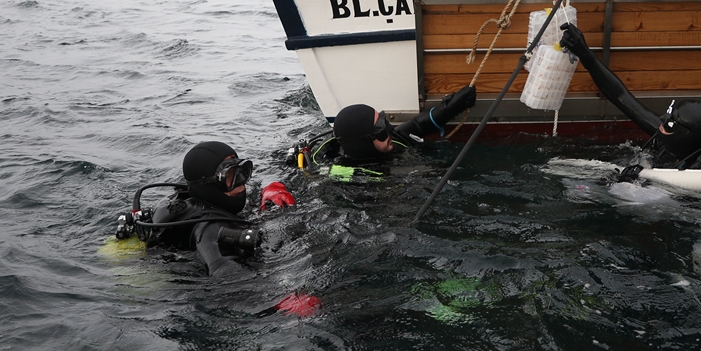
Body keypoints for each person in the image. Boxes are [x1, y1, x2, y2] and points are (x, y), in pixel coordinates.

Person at [558, 23, 701, 168]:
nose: (664, 119)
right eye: (669, 113)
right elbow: (620, 95)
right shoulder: (671, 134)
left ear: (685, 136)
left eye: (671, 122)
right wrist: (584, 53)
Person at [130, 141, 296, 277]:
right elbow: (224, 270)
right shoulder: (210, 227)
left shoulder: (194, 199)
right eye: (231, 176)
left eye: (243, 172)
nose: (241, 183)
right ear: (208, 183)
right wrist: (283, 298)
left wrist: (269, 190)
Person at [310, 86, 477, 179]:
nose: (390, 130)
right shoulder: (361, 179)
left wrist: (450, 108)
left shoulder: (387, 142)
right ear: (364, 143)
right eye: (381, 130)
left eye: (384, 121)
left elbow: (418, 125)